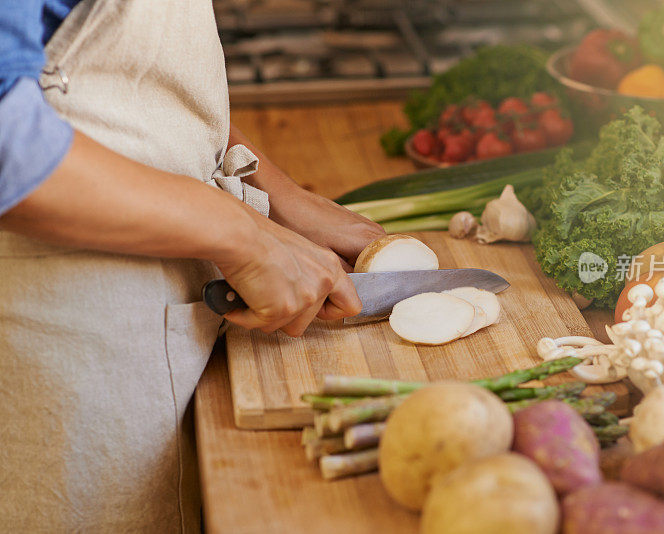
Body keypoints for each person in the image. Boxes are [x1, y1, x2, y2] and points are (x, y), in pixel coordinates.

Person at [0, 1, 384, 531]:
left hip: (162, 316)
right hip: (65, 341)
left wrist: (277, 192)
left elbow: (132, 83)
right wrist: (242, 233)